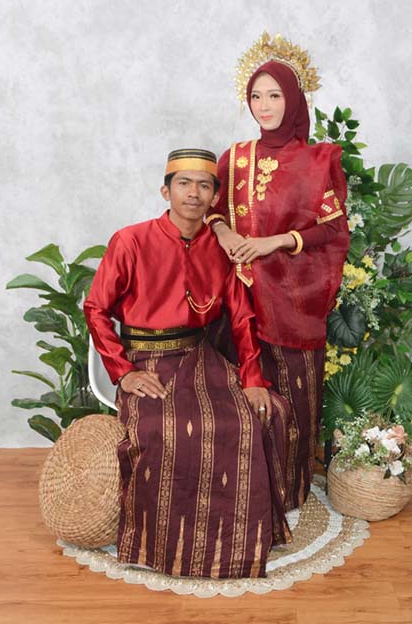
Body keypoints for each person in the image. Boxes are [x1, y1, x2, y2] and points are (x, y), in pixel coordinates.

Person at [84, 148, 290, 580]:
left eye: (203, 185)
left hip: (200, 356)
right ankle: (159, 545)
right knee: (164, 429)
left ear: (213, 196)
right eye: (183, 183)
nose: (193, 193)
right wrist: (124, 372)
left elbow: (242, 317)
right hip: (145, 360)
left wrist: (253, 378)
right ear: (166, 191)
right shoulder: (131, 240)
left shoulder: (222, 247)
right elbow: (96, 308)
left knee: (251, 416)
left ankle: (237, 543)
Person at [207, 33, 350, 511]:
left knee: (293, 393)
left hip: (293, 298)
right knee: (237, 395)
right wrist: (223, 232)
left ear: (293, 99)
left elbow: (333, 229)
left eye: (274, 95)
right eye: (256, 96)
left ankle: (288, 489)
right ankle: (240, 489)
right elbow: (211, 209)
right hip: (237, 295)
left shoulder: (317, 161)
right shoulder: (234, 157)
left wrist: (277, 241)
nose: (264, 106)